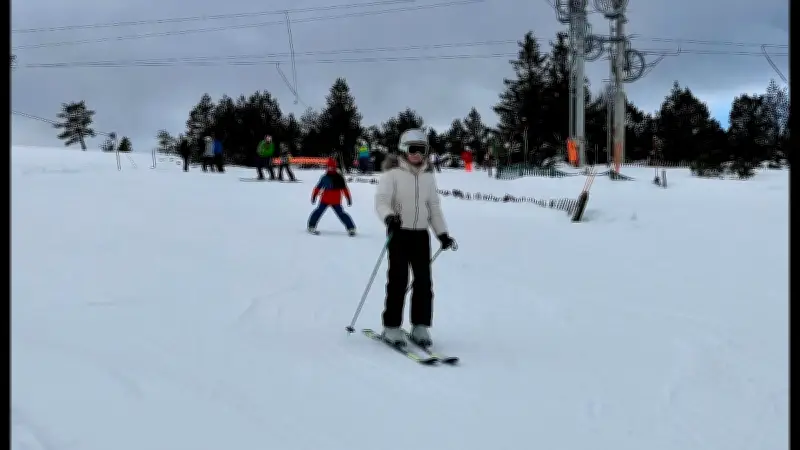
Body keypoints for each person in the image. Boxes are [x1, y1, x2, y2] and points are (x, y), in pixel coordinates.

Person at [374, 128, 456, 348]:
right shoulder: (392, 174)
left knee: (423, 282)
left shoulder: (428, 176)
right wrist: (389, 217)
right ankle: (392, 326)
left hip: (421, 234)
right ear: (403, 149)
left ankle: (420, 325)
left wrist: (442, 233)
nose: (417, 155)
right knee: (398, 279)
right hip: (399, 232)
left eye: (422, 150)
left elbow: (434, 208)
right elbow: (382, 202)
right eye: (413, 150)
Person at [308, 159, 356, 236]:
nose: (330, 169)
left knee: (341, 214)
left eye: (332, 168)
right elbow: (318, 187)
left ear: (335, 168)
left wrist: (348, 198)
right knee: (318, 212)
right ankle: (311, 226)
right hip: (325, 200)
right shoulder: (324, 178)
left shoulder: (339, 178)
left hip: (336, 201)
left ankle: (351, 228)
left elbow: (344, 189)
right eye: (329, 167)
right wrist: (314, 196)